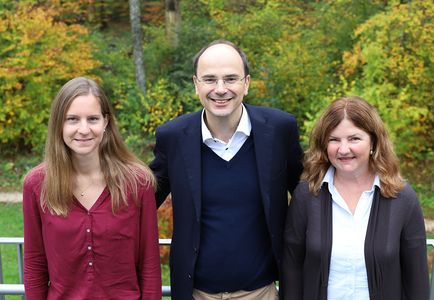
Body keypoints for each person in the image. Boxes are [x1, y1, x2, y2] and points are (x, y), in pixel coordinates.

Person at [149, 39, 303, 299]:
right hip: (197, 293)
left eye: (230, 78)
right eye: (209, 79)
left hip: (262, 292)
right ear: (196, 84)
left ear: (247, 83)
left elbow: (309, 195)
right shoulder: (173, 137)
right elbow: (141, 200)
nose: (220, 89)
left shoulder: (278, 130)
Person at [23, 77, 162, 299]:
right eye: (73, 119)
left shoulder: (137, 182)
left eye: (93, 119)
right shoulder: (37, 185)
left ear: (106, 122)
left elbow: (150, 263)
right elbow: (34, 264)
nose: (84, 129)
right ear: (59, 123)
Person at [282, 96, 429, 300]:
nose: (343, 149)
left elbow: (417, 280)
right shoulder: (306, 195)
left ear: (373, 142)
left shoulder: (402, 198)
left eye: (354, 138)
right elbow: (292, 269)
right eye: (334, 139)